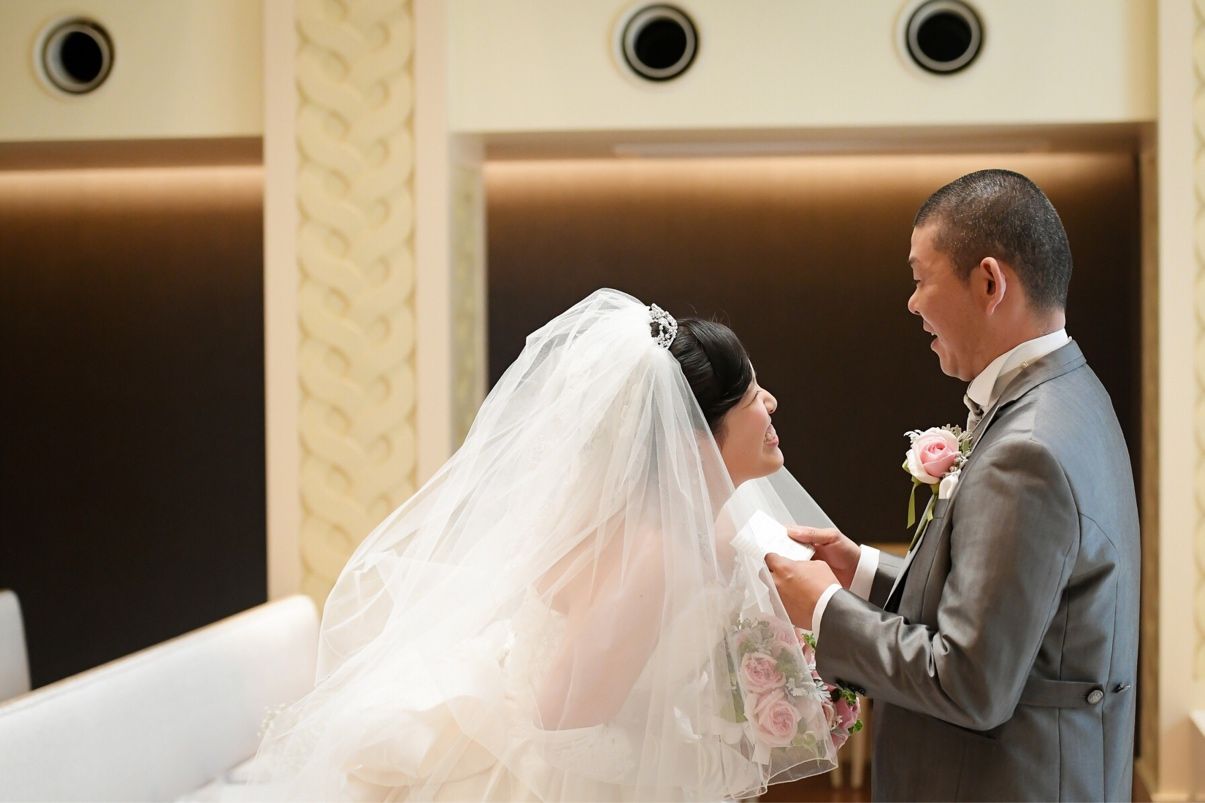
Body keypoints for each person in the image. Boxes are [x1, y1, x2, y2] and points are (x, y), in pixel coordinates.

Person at [231, 290, 852, 802]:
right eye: (750, 396)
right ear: (695, 438)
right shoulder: (659, 555)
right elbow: (563, 730)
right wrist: (710, 755)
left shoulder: (708, 523)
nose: (771, 403)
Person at [767, 169, 1140, 801]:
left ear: (989, 282)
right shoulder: (1074, 393)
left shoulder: (1026, 449)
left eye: (920, 278)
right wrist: (863, 574)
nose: (912, 304)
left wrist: (826, 610)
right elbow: (1011, 605)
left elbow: (969, 682)